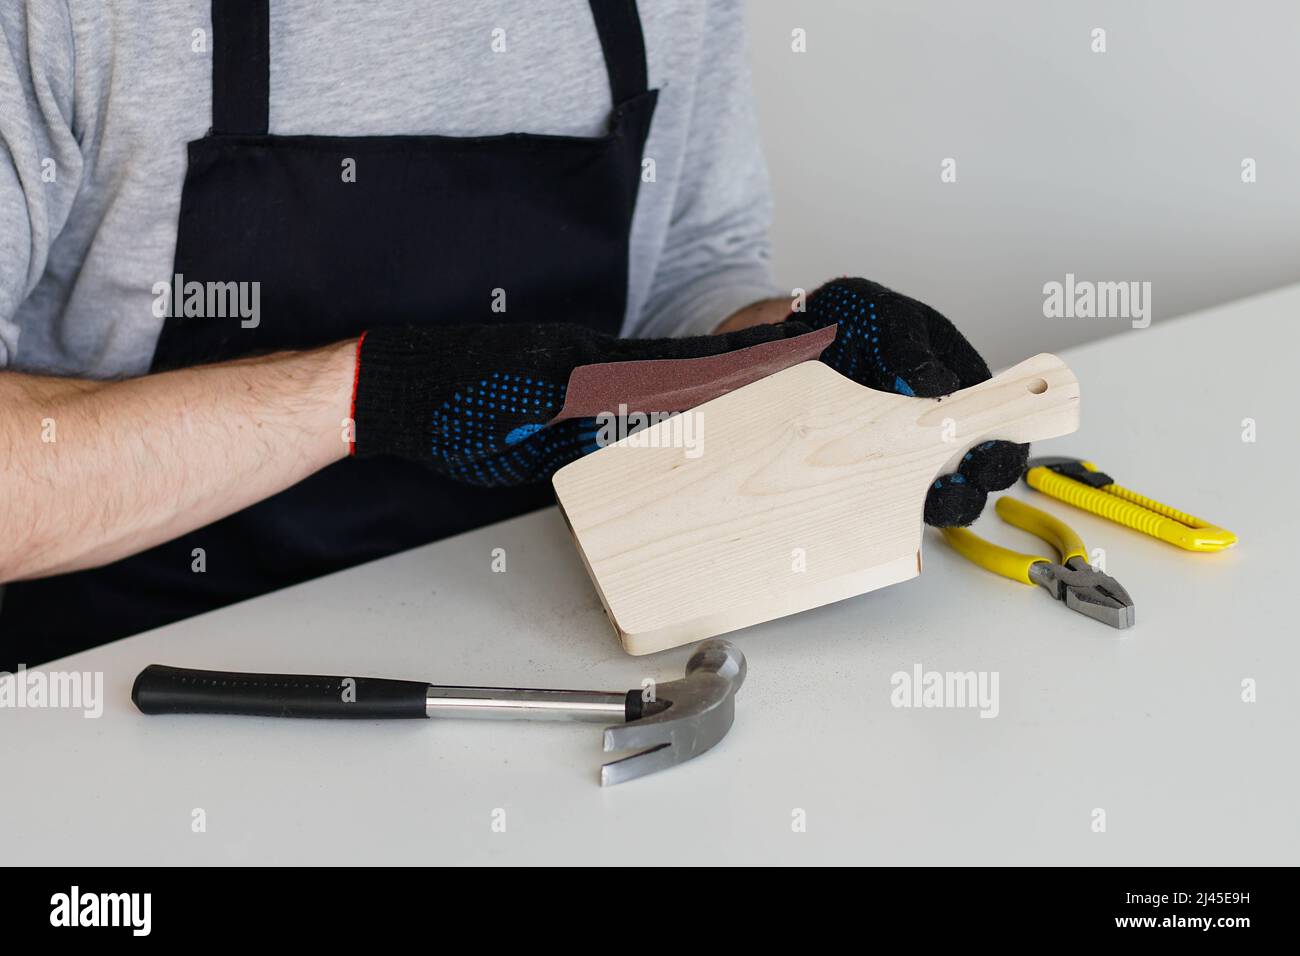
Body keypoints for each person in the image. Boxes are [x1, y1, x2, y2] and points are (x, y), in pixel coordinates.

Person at [0, 0, 1022, 668]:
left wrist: (802, 351)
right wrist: (370, 393)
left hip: (548, 639)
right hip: (131, 673)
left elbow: (685, 267)